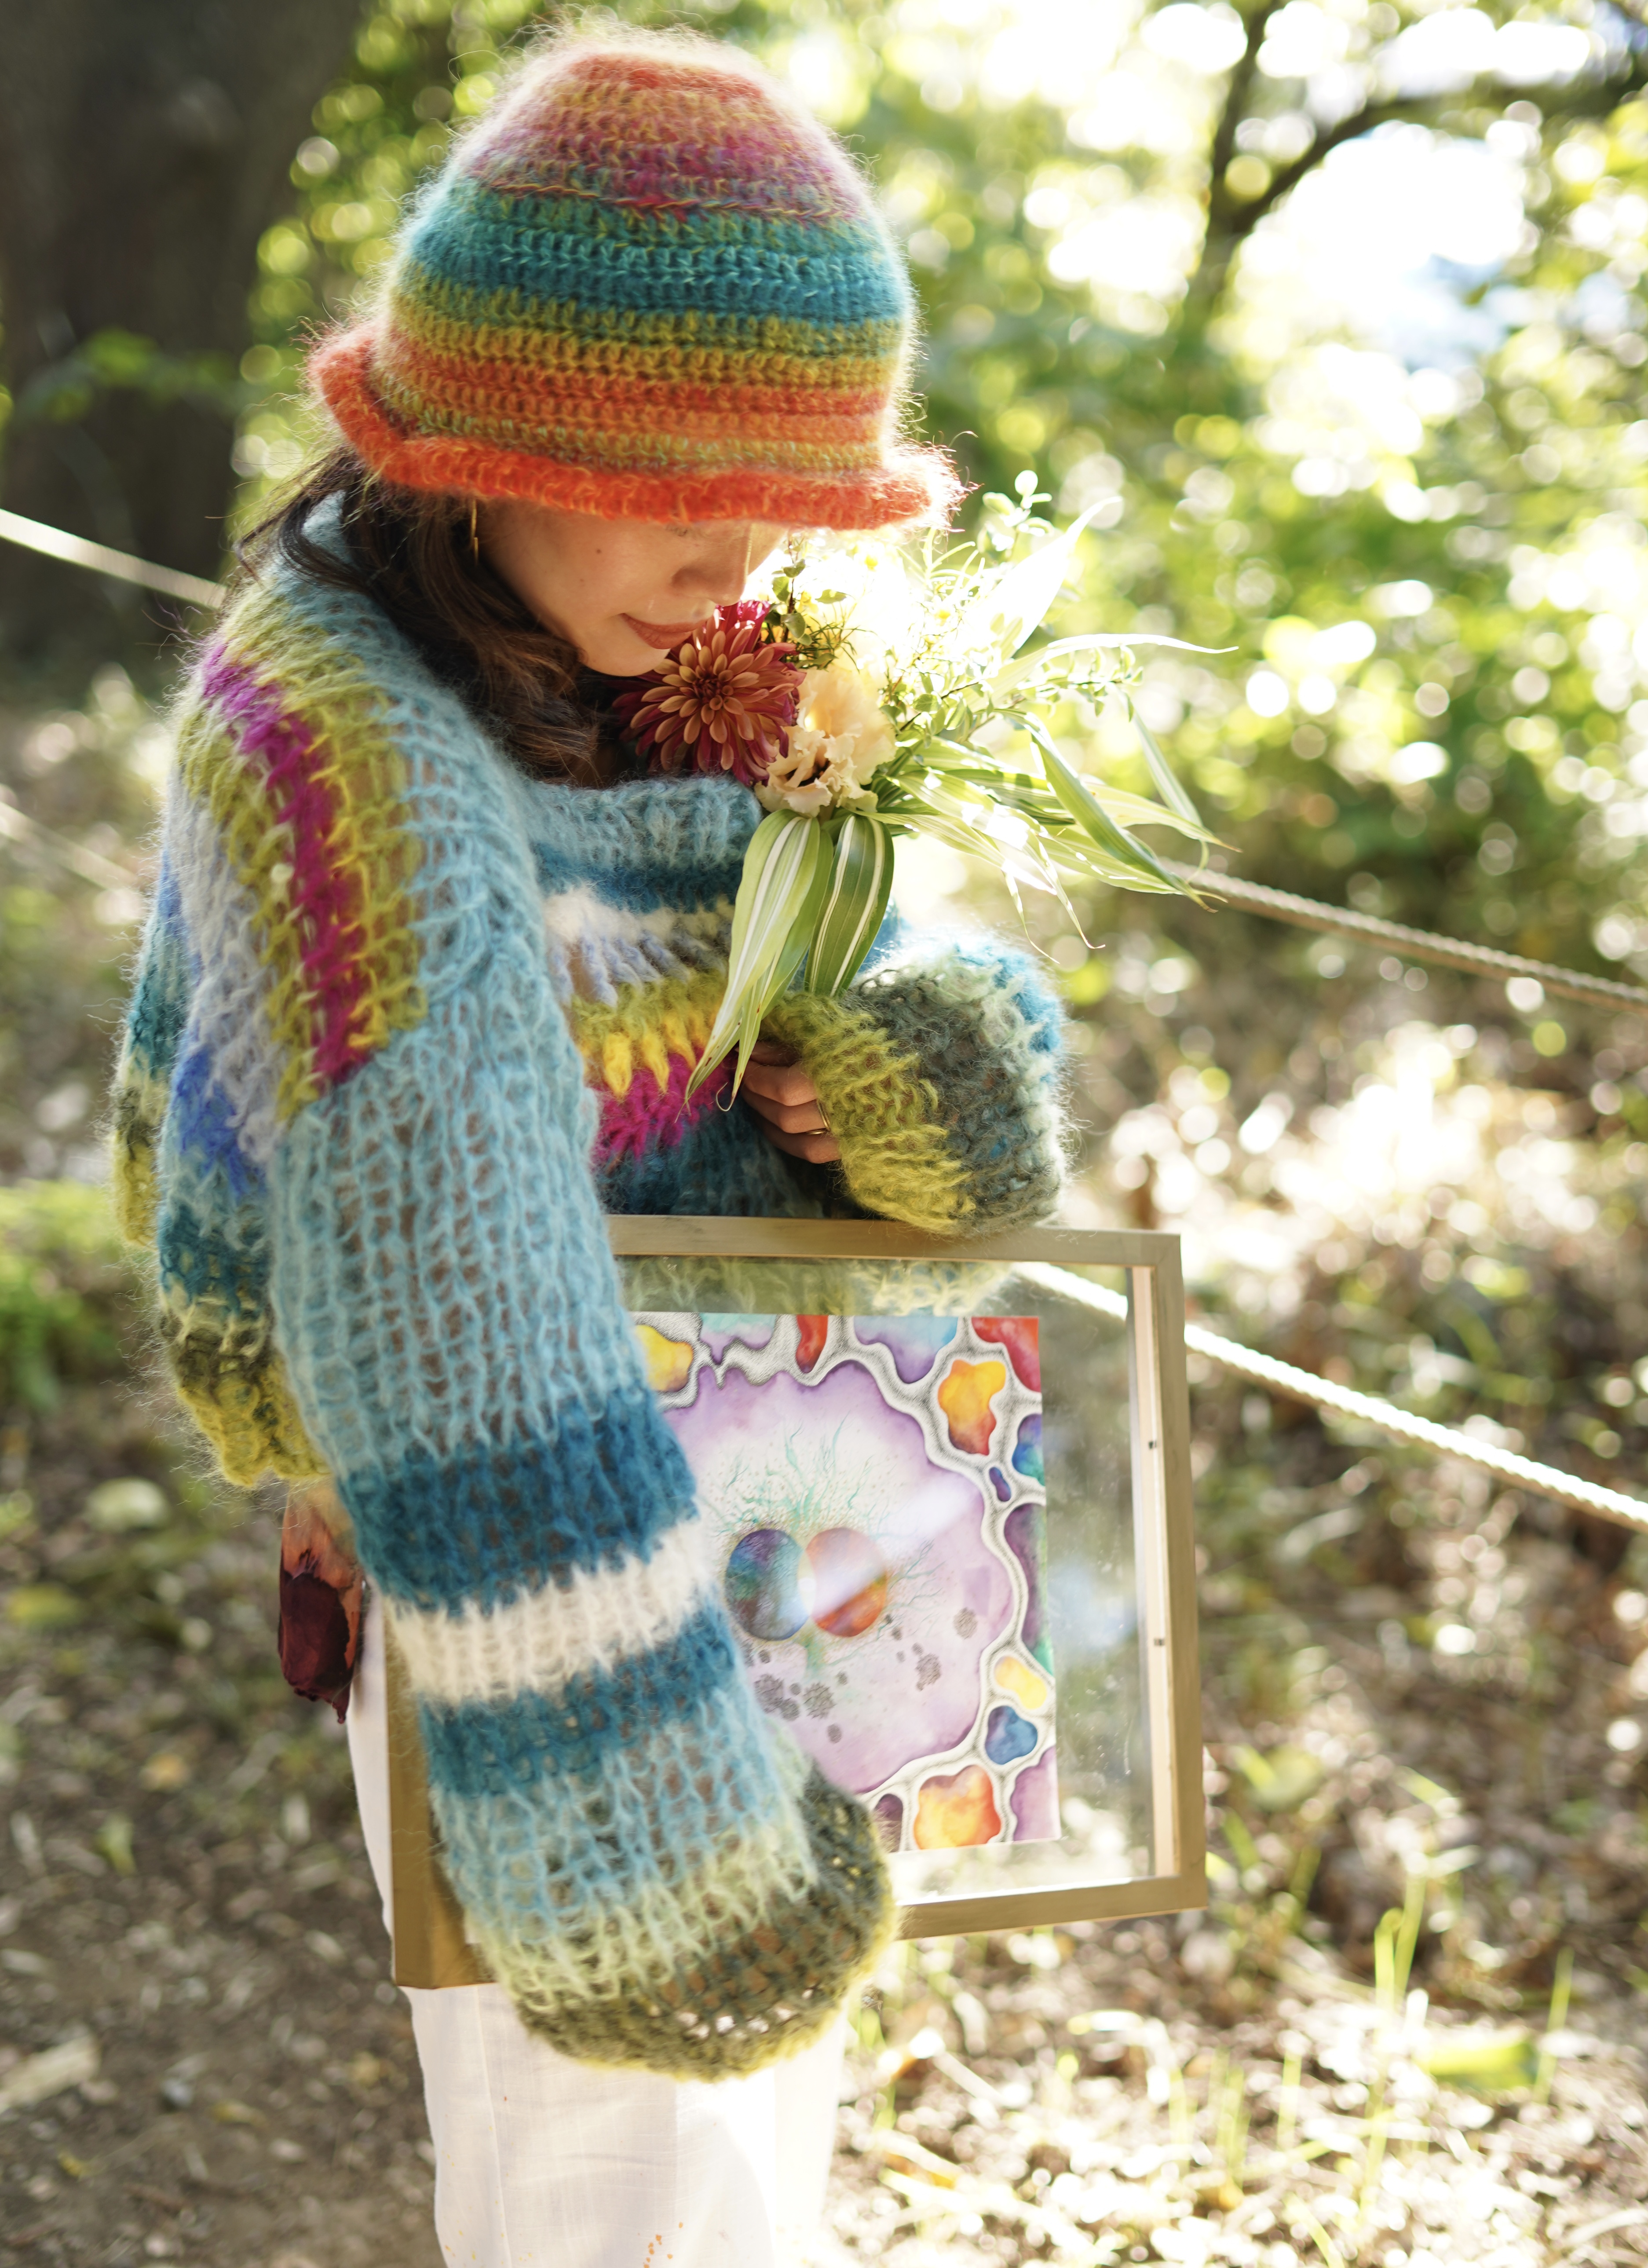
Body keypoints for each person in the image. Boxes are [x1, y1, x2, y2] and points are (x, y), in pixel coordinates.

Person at [109, 26, 1067, 2267]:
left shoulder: (675, 651)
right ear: (490, 450)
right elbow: (440, 1269)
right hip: (529, 1581)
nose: (741, 556)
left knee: (733, 2185)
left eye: (788, 498)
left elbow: (912, 978)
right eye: (680, 485)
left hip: (775, 1508)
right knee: (612, 2199)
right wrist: (643, 1811)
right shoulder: (352, 740)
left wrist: (927, 1065)